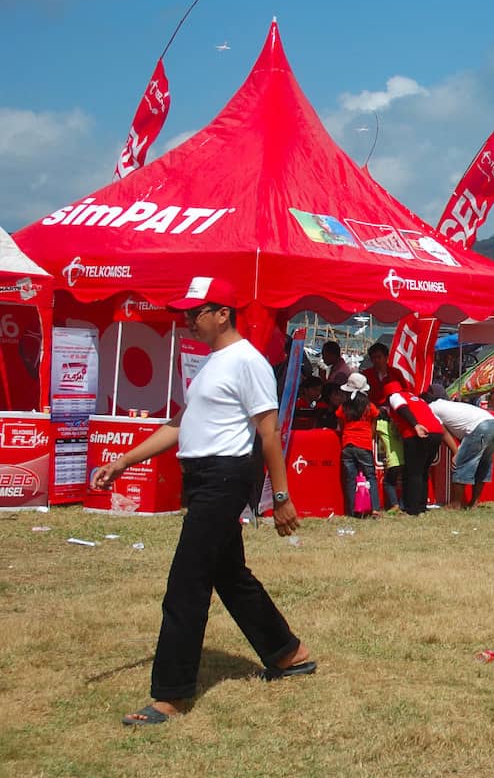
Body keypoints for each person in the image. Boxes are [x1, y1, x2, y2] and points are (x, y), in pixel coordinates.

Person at [91, 276, 313, 726]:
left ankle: (169, 695)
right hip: (203, 478)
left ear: (222, 313)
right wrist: (122, 461)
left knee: (186, 584)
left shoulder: (247, 361)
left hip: (225, 478)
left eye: (195, 313)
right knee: (229, 575)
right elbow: (179, 424)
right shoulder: (212, 363)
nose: (188, 321)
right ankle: (289, 653)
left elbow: (269, 434)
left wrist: (282, 497)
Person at [370, 344, 444, 515]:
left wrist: (415, 425)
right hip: (436, 432)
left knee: (414, 471)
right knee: (424, 471)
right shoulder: (415, 397)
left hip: (417, 431)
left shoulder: (395, 396)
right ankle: (422, 506)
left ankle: (413, 508)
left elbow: (400, 407)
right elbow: (433, 415)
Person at [428, 385, 494, 509]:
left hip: (479, 427)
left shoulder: (431, 408)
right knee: (483, 465)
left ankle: (455, 504)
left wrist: (456, 453)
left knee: (461, 464)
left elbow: (443, 432)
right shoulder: (451, 405)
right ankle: (474, 503)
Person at [336, 371, 379, 518]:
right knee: (371, 477)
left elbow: (341, 425)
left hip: (347, 444)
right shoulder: (369, 406)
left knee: (350, 479)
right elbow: (374, 423)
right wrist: (369, 437)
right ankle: (375, 508)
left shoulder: (344, 407)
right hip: (364, 445)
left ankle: (352, 510)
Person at [372, 407, 403, 512]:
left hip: (393, 460)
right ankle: (402, 505)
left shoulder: (381, 425)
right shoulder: (396, 426)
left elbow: (371, 429)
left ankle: (395, 505)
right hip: (403, 459)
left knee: (388, 482)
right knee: (404, 483)